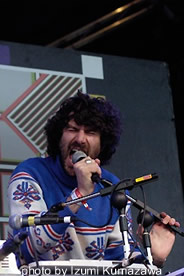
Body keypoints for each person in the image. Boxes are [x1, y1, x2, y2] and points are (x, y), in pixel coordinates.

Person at [8, 91, 179, 270]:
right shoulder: (30, 173)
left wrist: (154, 259)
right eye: (72, 129)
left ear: (102, 143)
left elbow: (122, 263)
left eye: (90, 132)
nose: (80, 139)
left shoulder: (113, 188)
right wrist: (81, 194)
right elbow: (28, 247)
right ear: (58, 136)